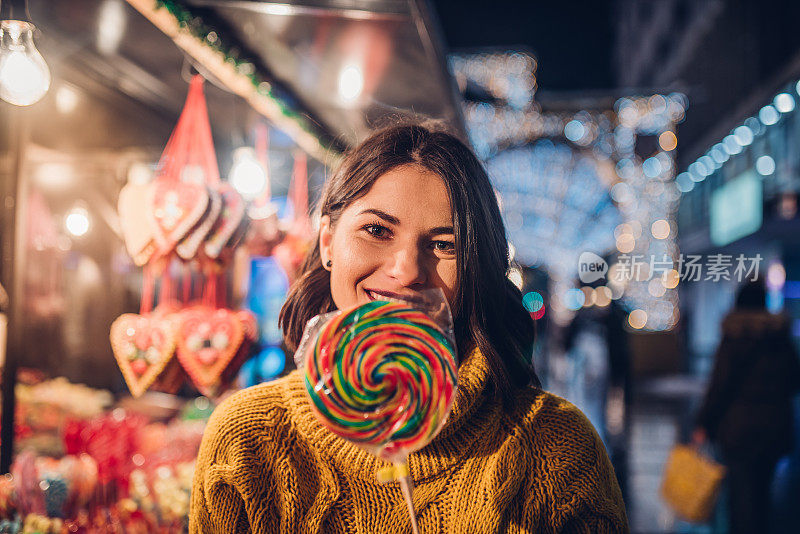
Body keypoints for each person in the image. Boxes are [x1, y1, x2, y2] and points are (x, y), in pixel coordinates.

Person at [190, 121, 629, 533]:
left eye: (444, 244)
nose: (407, 270)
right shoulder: (246, 437)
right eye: (377, 230)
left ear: (477, 266)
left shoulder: (557, 445)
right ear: (327, 242)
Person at [693, 280, 800, 534]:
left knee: (741, 497)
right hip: (775, 426)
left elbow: (719, 386)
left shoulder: (734, 337)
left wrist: (703, 423)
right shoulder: (780, 338)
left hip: (739, 429)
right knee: (763, 493)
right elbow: (795, 380)